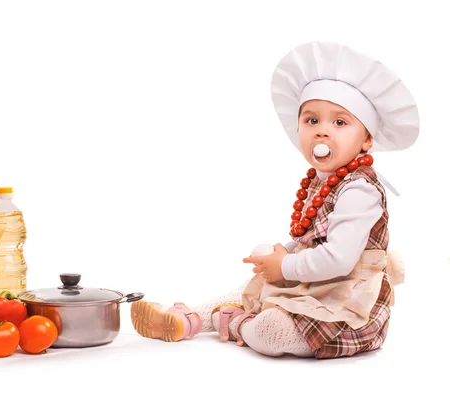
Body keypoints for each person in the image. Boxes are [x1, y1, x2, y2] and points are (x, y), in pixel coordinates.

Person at [130, 41, 419, 359]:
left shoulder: (359, 191)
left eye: (339, 122)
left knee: (273, 331)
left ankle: (234, 322)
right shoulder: (322, 181)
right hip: (318, 285)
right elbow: (312, 239)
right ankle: (190, 318)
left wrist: (285, 264)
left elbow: (338, 259)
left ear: (366, 139)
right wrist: (283, 255)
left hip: (347, 303)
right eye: (312, 121)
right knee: (257, 282)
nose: (322, 132)